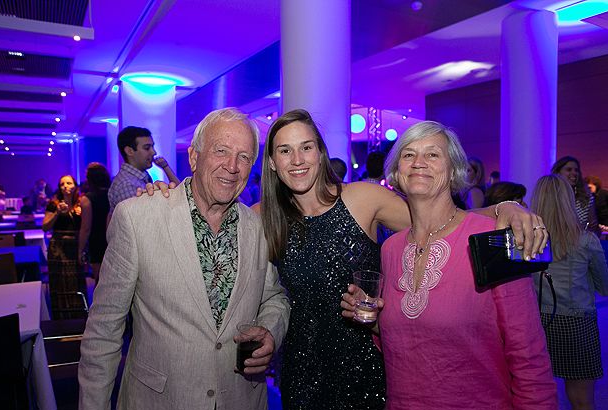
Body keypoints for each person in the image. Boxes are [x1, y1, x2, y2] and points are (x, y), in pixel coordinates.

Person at [254, 109, 547, 410]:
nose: (298, 159)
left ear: (320, 153)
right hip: (304, 373)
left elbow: (439, 220)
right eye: (285, 150)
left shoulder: (363, 198)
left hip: (367, 372)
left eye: (306, 147)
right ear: (272, 162)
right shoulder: (263, 217)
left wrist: (503, 209)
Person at [78, 108, 290, 410]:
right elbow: (104, 332)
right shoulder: (138, 218)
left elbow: (274, 297)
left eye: (244, 157)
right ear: (194, 157)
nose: (232, 166)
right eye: (221, 151)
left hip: (241, 399)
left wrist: (270, 330)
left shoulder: (258, 226)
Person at [342, 120, 557, 409]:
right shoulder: (391, 248)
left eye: (432, 154)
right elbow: (403, 342)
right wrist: (371, 318)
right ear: (396, 172)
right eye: (408, 154)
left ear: (455, 170)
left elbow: (528, 356)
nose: (418, 162)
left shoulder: (491, 238)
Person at [531, 174, 608, 410]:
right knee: (582, 401)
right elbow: (604, 286)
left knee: (535, 396)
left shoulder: (525, 240)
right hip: (578, 323)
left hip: (537, 323)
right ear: (568, 200)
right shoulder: (586, 241)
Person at [42, 175, 86, 319]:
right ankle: (61, 319)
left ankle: (78, 318)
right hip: (58, 248)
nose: (65, 186)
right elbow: (45, 227)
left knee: (75, 281)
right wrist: (57, 214)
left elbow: (87, 227)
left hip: (76, 247)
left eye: (68, 183)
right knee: (59, 282)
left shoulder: (82, 202)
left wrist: (83, 214)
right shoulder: (54, 204)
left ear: (75, 186)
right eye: (62, 184)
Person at [108, 126, 180, 212]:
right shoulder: (127, 185)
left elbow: (180, 194)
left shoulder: (139, 178)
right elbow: (144, 218)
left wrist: (165, 167)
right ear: (129, 151)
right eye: (147, 148)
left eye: (152, 147)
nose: (154, 152)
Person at [78, 163, 111, 284]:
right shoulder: (113, 194)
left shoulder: (87, 199)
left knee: (100, 280)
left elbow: (86, 228)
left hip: (97, 241)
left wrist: (80, 250)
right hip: (113, 238)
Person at [551, 156, 599, 234]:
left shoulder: (586, 197)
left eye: (576, 170)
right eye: (569, 169)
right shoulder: (551, 196)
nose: (574, 173)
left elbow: (593, 227)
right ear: (558, 172)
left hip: (582, 240)